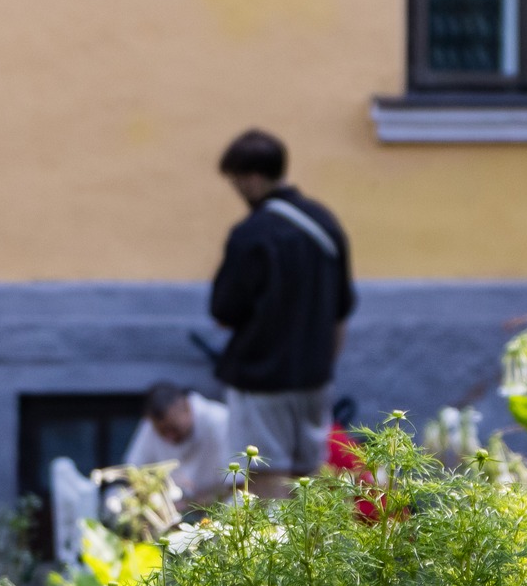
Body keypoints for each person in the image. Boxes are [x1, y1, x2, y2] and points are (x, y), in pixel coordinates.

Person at [207, 129, 355, 500]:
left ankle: (275, 541)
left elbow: (223, 311)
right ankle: (310, 541)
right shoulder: (325, 224)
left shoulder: (251, 234)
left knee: (263, 477)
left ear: (253, 177)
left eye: (237, 181)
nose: (238, 190)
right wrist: (322, 368)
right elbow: (341, 311)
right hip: (314, 379)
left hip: (261, 381)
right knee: (309, 478)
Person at [121, 382, 233, 509]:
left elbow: (238, 485)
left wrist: (192, 503)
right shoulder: (151, 425)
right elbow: (133, 473)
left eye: (173, 429)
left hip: (220, 508)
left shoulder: (219, 421)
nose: (169, 438)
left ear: (186, 408)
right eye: (162, 432)